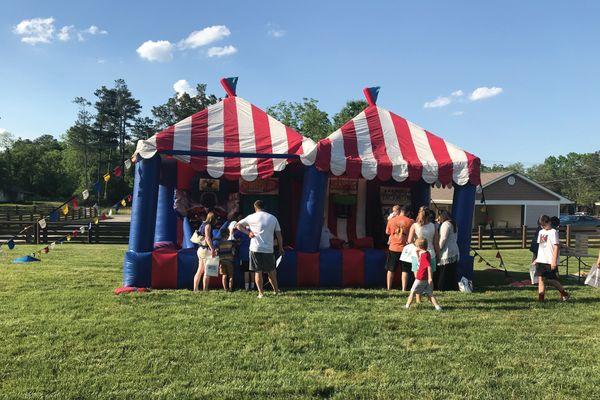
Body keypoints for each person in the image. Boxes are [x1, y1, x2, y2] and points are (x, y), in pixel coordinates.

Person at [236, 200, 284, 298]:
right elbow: (279, 235)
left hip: (255, 248)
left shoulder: (251, 217)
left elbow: (238, 225)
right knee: (272, 271)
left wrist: (248, 233)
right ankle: (276, 291)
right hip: (268, 249)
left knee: (258, 271)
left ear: (255, 207)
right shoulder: (273, 218)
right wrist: (281, 247)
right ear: (264, 207)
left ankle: (261, 294)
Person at [533, 214, 570, 302]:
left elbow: (556, 247)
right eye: (541, 225)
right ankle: (541, 299)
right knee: (541, 279)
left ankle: (565, 294)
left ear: (549, 222)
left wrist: (554, 261)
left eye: (544, 225)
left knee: (551, 280)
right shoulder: (541, 232)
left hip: (550, 260)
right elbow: (541, 246)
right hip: (541, 259)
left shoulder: (553, 232)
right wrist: (537, 258)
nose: (542, 227)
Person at [407, 206, 440, 301]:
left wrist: (416, 242)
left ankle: (418, 298)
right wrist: (438, 255)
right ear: (429, 215)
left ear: (419, 213)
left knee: (418, 279)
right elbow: (436, 243)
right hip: (431, 254)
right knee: (430, 278)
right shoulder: (433, 226)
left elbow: (409, 241)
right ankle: (430, 297)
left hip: (416, 255)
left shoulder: (414, 226)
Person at [405, 238, 442, 311]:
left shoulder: (424, 256)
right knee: (430, 293)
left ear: (419, 247)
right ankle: (437, 307)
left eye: (416, 246)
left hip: (420, 278)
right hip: (425, 278)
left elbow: (428, 266)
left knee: (412, 291)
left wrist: (430, 278)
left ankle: (407, 306)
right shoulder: (427, 253)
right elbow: (420, 261)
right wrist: (418, 253)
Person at [385, 205, 414, 291]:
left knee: (390, 269)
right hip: (405, 249)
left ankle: (389, 288)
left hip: (393, 247)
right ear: (408, 212)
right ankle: (404, 289)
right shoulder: (411, 221)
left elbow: (387, 232)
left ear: (400, 211)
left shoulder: (391, 220)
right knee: (405, 270)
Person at [193, 212, 217, 292]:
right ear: (213, 219)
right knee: (207, 271)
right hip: (206, 250)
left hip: (200, 249)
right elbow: (207, 238)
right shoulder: (208, 225)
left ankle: (195, 289)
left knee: (199, 270)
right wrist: (212, 249)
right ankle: (205, 289)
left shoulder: (202, 224)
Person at [437, 210, 460, 291]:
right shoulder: (453, 224)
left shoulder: (446, 224)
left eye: (439, 216)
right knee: (451, 271)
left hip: (447, 250)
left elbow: (443, 238)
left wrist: (438, 248)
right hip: (454, 249)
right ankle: (452, 286)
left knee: (444, 271)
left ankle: (442, 287)